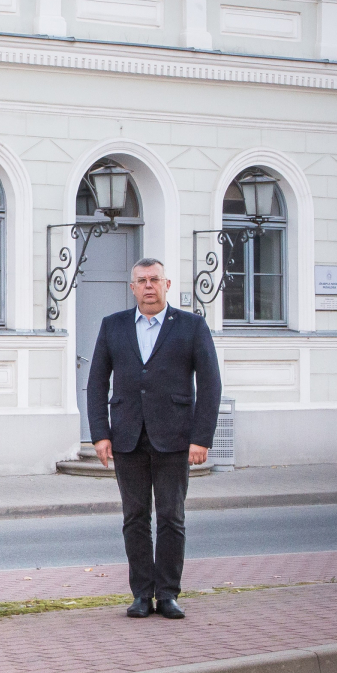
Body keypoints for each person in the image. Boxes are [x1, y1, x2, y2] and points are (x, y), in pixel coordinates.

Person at [87, 257, 221, 620]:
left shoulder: (191, 326)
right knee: (134, 518)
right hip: (127, 437)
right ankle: (142, 595)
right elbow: (97, 382)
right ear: (132, 288)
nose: (149, 286)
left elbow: (210, 384)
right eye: (142, 280)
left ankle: (168, 594)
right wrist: (100, 434)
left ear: (167, 285)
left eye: (155, 279)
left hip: (175, 438)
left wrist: (201, 437)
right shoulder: (113, 326)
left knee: (171, 518)